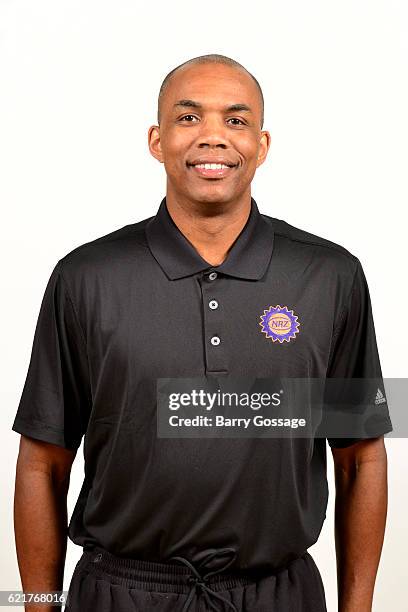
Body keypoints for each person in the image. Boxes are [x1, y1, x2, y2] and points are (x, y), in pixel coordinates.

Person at [12, 54, 393, 612]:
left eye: (236, 121)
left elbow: (364, 454)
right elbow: (41, 460)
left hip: (278, 596)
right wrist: (36, 608)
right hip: (120, 594)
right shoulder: (86, 277)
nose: (213, 137)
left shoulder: (331, 276)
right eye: (189, 118)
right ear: (156, 139)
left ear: (262, 145)